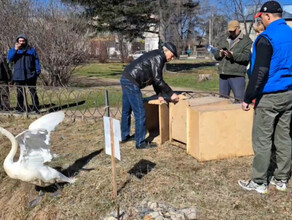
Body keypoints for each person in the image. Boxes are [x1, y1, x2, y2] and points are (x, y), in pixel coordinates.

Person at [238, 1, 292, 194]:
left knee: (262, 139)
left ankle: (259, 182)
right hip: (289, 94)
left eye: (261, 17)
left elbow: (260, 72)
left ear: (268, 16)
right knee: (284, 137)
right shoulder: (290, 34)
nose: (260, 20)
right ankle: (281, 179)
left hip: (269, 95)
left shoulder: (266, 38)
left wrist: (248, 97)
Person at [120, 42, 179, 149]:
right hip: (132, 82)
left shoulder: (157, 55)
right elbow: (158, 79)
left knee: (126, 111)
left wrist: (159, 95)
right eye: (173, 55)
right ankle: (140, 142)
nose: (173, 58)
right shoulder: (159, 57)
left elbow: (153, 79)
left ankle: (124, 136)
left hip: (125, 77)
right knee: (141, 113)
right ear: (167, 51)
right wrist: (171, 94)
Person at [213, 20, 252, 103]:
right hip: (223, 75)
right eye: (230, 31)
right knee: (222, 102)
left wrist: (233, 56)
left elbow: (246, 57)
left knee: (239, 101)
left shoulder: (247, 41)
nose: (231, 33)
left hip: (237, 75)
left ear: (238, 29)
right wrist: (220, 54)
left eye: (233, 31)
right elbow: (216, 55)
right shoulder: (224, 40)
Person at [7, 34, 41, 113]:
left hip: (30, 74)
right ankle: (20, 108)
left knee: (33, 92)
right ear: (17, 42)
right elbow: (9, 59)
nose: (21, 42)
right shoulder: (14, 50)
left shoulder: (31, 50)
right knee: (19, 93)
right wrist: (15, 50)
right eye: (20, 41)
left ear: (26, 41)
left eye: (23, 41)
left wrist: (38, 71)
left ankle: (36, 108)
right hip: (19, 75)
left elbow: (36, 60)